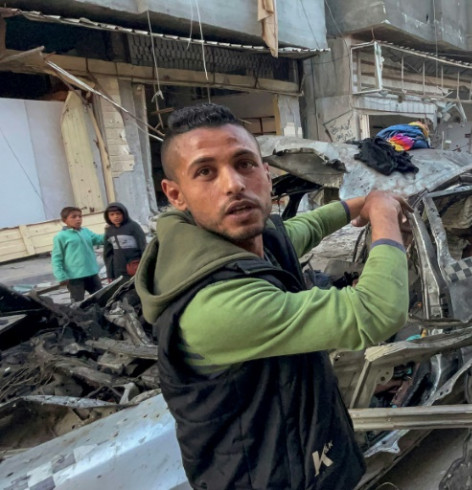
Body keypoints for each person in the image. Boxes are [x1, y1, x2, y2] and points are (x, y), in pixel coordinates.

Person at [135, 103, 410, 490]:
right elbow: (378, 312)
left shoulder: (234, 243)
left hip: (302, 460)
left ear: (266, 173)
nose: (233, 184)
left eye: (244, 163)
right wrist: (383, 217)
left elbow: (299, 229)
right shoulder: (214, 304)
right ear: (176, 194)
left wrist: (359, 204)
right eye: (205, 172)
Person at [51, 206, 105, 302]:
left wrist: (111, 231)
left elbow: (99, 239)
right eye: (74, 217)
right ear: (64, 220)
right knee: (78, 302)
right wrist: (61, 275)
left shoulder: (86, 232)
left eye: (80, 216)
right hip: (75, 278)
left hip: (92, 273)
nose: (78, 219)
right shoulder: (61, 236)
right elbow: (56, 258)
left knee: (102, 298)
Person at [103, 202, 147, 281]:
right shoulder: (109, 230)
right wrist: (110, 274)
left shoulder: (133, 226)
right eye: (112, 214)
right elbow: (108, 254)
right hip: (118, 268)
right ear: (108, 216)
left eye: (118, 213)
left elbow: (143, 246)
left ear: (124, 213)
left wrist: (145, 265)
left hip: (135, 266)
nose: (116, 217)